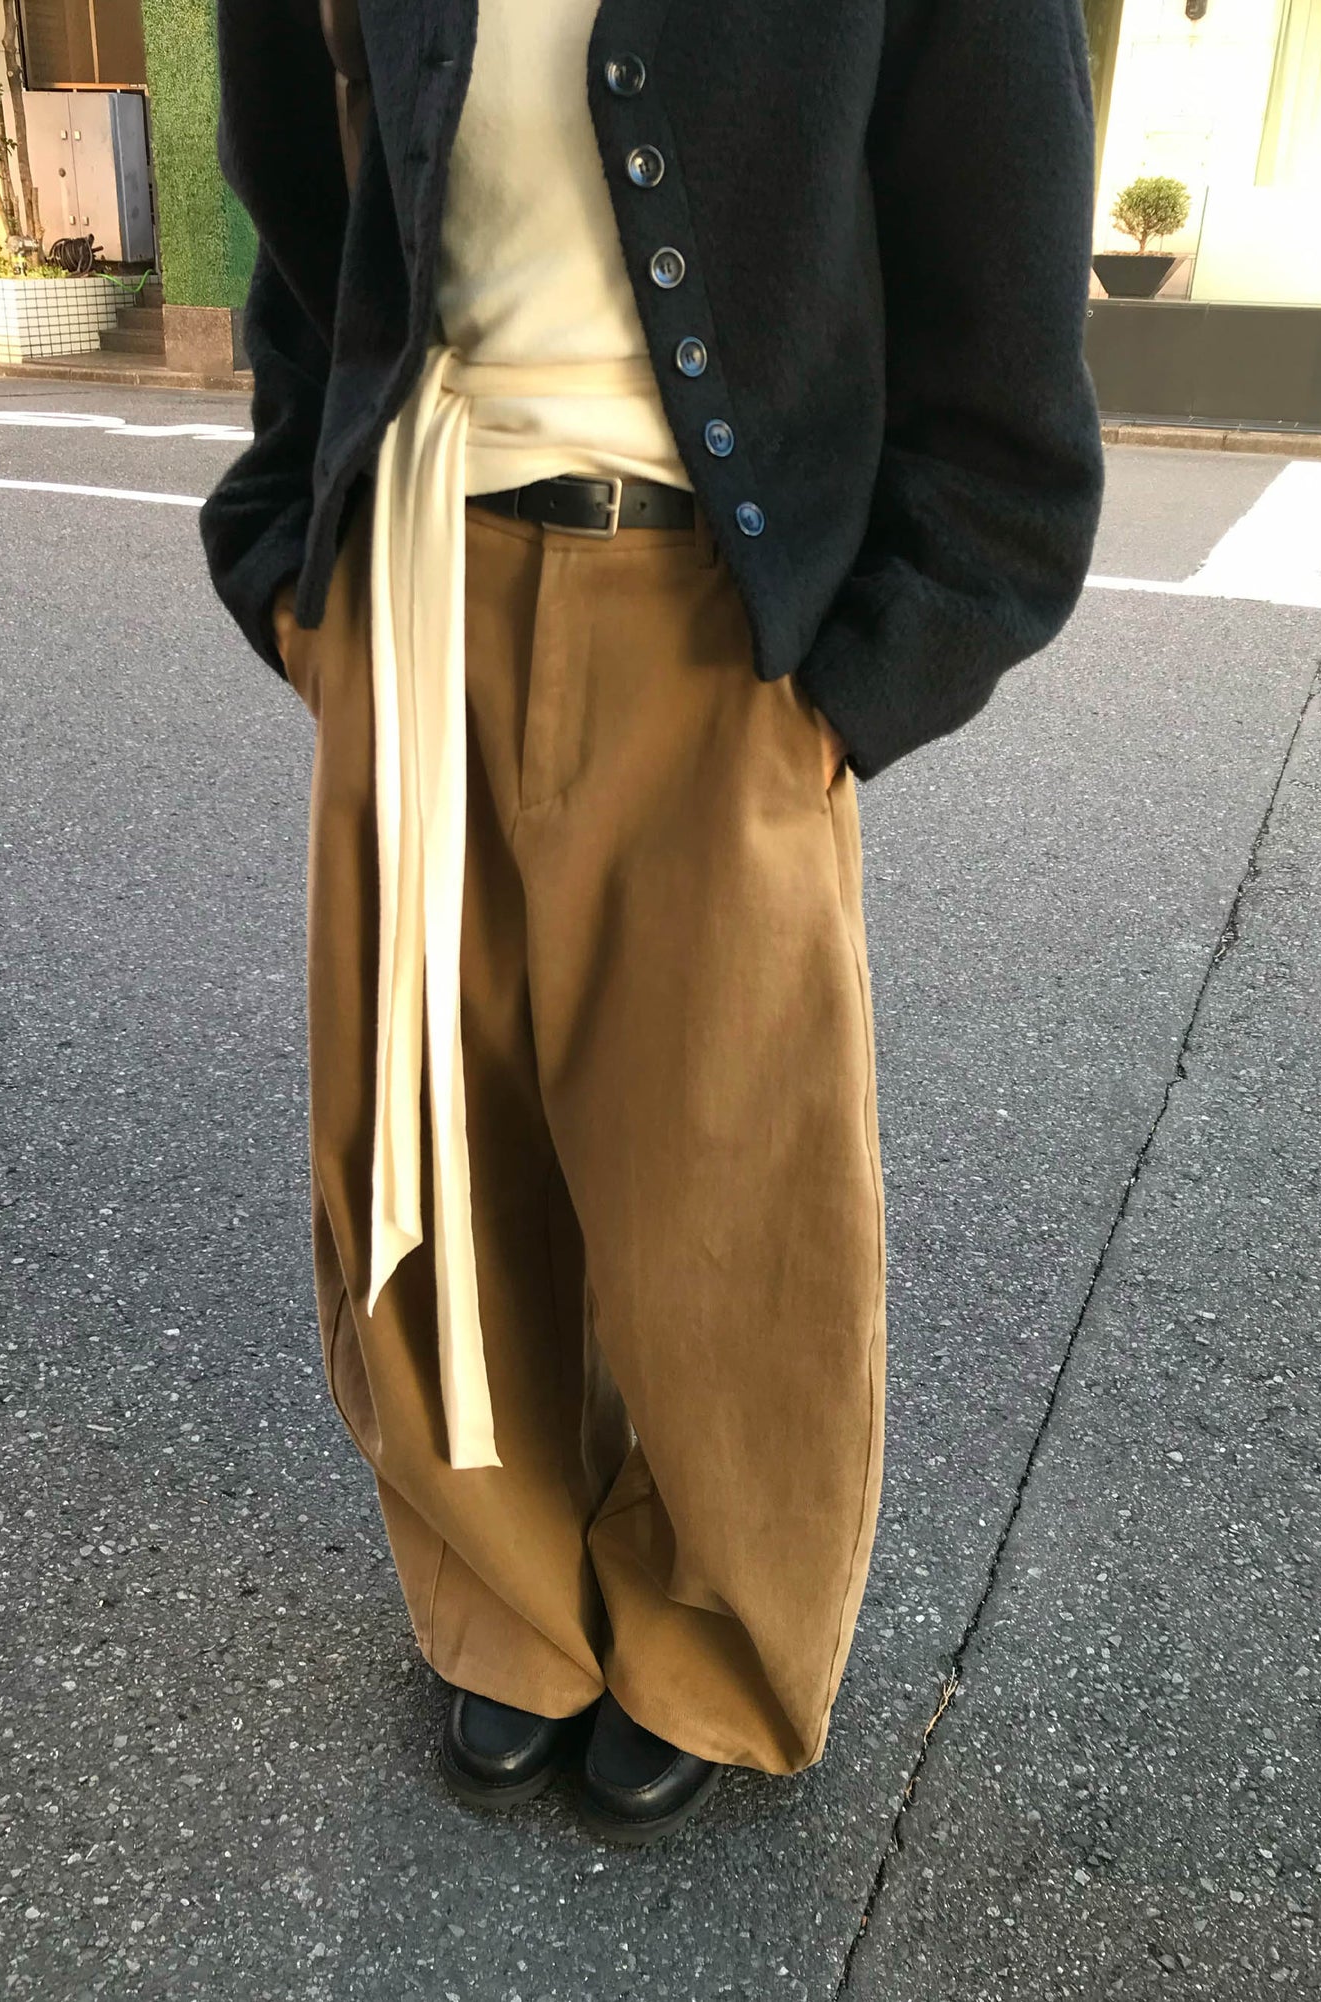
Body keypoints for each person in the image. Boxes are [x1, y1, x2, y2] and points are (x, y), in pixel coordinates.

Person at [201, 0, 1103, 1845]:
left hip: (718, 622)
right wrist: (292, 561)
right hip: (418, 578)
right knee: (431, 1142)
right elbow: (302, 213)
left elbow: (1000, 286)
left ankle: (712, 1619)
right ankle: (508, 1591)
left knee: (729, 1187)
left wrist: (866, 675)